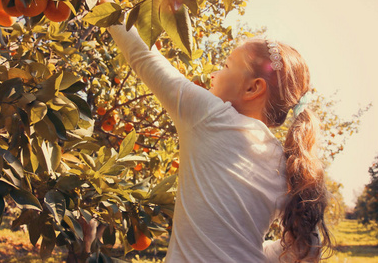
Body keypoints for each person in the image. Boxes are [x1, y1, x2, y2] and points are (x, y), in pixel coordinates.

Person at [108, 22, 332, 262]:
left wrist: (101, 0)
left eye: (226, 66)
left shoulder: (210, 116)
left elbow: (143, 55)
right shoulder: (286, 164)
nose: (214, 74)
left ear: (253, 88)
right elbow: (308, 247)